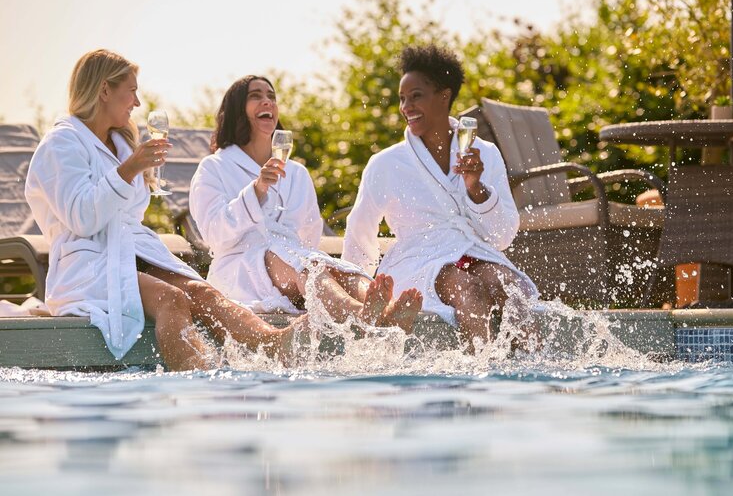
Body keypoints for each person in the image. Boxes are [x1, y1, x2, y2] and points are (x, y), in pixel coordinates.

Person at [24, 50, 301, 372]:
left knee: (203, 292)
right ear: (104, 91)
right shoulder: (61, 143)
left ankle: (273, 343)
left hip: (131, 251)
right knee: (172, 299)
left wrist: (132, 169)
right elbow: (81, 219)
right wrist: (129, 170)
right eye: (132, 90)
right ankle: (195, 383)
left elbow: (130, 211)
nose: (137, 103)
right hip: (87, 263)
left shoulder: (120, 143)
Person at [342, 44, 539, 349]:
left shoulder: (483, 153)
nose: (406, 106)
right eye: (402, 99)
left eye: (416, 96)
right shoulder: (386, 163)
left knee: (509, 286)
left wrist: (476, 188)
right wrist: (361, 294)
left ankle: (534, 374)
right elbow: (360, 233)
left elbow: (502, 237)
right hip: (417, 262)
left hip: (473, 252)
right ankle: (479, 379)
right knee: (467, 289)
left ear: (444, 96)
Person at [189, 75, 422, 331]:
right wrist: (256, 191)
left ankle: (384, 310)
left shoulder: (297, 173)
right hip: (241, 269)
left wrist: (293, 263)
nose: (267, 101)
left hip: (293, 266)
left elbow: (308, 237)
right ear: (236, 110)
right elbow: (213, 234)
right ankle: (361, 313)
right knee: (309, 267)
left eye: (271, 96)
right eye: (255, 96)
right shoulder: (213, 168)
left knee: (340, 270)